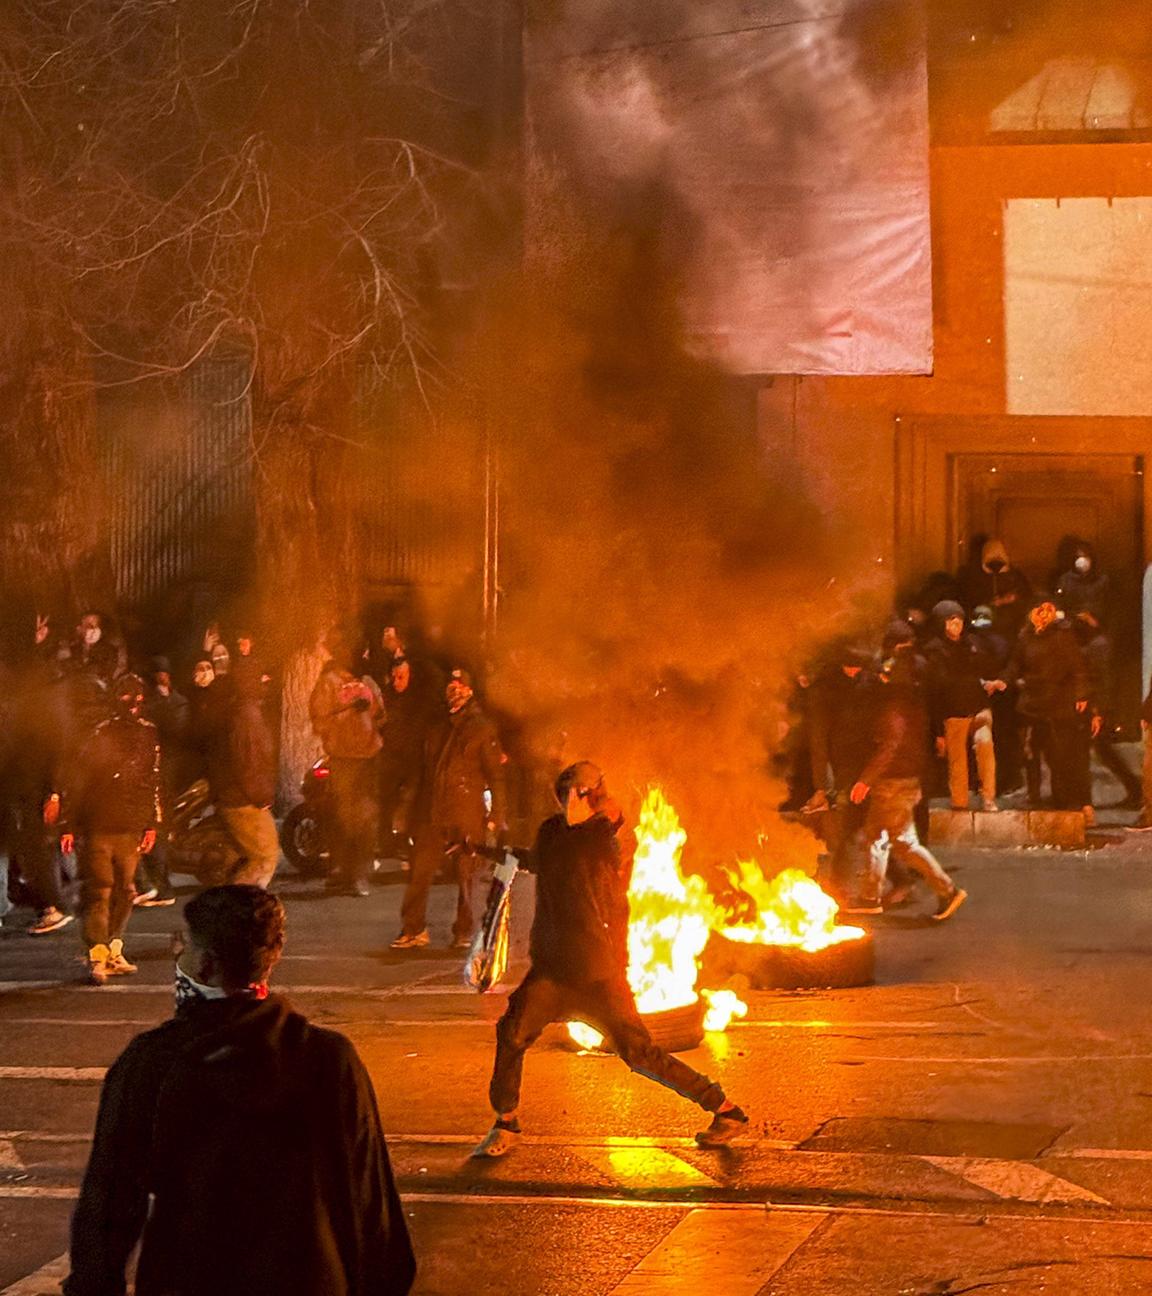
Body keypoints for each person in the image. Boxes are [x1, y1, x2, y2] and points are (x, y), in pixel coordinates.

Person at [63, 884, 415, 1296]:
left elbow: (109, 1203)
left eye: (186, 947)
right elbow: (368, 1197)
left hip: (188, 1279)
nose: (180, 957)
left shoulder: (153, 1062)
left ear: (207, 965)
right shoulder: (328, 1058)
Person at [473, 761, 748, 1158]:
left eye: (578, 791)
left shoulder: (598, 839)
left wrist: (620, 957)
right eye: (569, 790)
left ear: (586, 796)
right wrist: (476, 848)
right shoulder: (551, 833)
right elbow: (534, 860)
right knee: (512, 1032)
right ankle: (506, 1122)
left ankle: (725, 1110)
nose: (570, 799)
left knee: (640, 1054)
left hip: (596, 972)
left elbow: (616, 897)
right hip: (551, 968)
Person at [845, 633, 967, 921]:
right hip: (904, 780)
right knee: (877, 838)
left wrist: (865, 780)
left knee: (903, 843)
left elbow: (890, 746)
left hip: (894, 782)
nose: (883, 676)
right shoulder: (912, 701)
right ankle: (869, 896)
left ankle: (947, 890)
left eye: (888, 671)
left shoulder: (896, 706)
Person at [59, 673, 161, 985]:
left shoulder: (148, 734)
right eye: (126, 697)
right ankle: (97, 955)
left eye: (137, 697)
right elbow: (80, 781)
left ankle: (113, 948)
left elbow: (154, 779)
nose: (132, 703)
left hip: (129, 827)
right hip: (100, 825)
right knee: (99, 891)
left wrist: (152, 824)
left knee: (125, 891)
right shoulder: (100, 734)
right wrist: (70, 824)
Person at [394, 669, 506, 950]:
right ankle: (413, 929)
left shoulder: (482, 728)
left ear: (470, 691)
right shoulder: (436, 726)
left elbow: (496, 776)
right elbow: (421, 773)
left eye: (460, 685)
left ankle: (464, 931)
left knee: (467, 878)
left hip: (466, 813)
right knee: (420, 872)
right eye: (451, 685)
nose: (454, 690)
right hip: (433, 812)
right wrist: (406, 811)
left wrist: (497, 816)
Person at [990, 599, 1089, 810]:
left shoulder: (1063, 636)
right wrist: (1004, 680)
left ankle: (1060, 796)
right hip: (1032, 703)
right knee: (1030, 751)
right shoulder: (1026, 636)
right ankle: (1034, 794)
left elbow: (1077, 667)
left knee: (1057, 752)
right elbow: (1015, 663)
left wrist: (1081, 695)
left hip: (1057, 702)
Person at [309, 629, 385, 897]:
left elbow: (381, 715)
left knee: (366, 819)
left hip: (368, 759)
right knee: (342, 817)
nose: (361, 656)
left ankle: (359, 875)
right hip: (343, 760)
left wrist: (371, 711)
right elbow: (319, 721)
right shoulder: (328, 682)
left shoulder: (367, 682)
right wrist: (348, 711)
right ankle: (340, 871)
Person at [802, 642, 878, 901]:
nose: (854, 671)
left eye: (858, 667)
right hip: (843, 766)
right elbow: (818, 739)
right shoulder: (825, 690)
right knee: (848, 826)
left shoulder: (870, 682)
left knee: (869, 826)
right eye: (850, 667)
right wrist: (821, 783)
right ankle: (841, 884)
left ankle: (884, 880)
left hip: (869, 763)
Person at [204, 667, 281, 888]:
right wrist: (262, 796)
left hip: (232, 794)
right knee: (265, 856)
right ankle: (240, 909)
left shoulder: (235, 711)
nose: (266, 683)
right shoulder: (247, 716)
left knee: (245, 857)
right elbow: (249, 763)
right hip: (242, 798)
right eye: (261, 679)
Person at [924, 601, 998, 812]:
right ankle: (959, 801)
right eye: (951, 620)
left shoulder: (972, 644)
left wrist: (989, 682)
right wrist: (938, 730)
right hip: (954, 712)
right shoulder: (935, 651)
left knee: (985, 749)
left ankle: (989, 798)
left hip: (979, 707)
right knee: (957, 761)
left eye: (959, 619)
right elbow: (935, 692)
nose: (956, 624)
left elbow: (985, 666)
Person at [134, 658, 191, 906]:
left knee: (155, 830)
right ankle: (152, 884)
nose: (161, 679)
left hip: (163, 775)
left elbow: (174, 730)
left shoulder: (175, 704)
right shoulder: (152, 705)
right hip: (155, 774)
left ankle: (160, 885)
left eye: (164, 674)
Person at [958, 538, 1032, 641]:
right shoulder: (974, 577)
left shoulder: (1015, 576)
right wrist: (991, 603)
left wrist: (1012, 599)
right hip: (985, 628)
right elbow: (969, 601)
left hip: (1010, 628)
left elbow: (1027, 597)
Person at [1055, 540, 1111, 626]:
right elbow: (1060, 604)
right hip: (1071, 625)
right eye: (1078, 557)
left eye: (1086, 556)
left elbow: (1106, 607)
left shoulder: (1102, 580)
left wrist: (1092, 618)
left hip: (1095, 626)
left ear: (1092, 558)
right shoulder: (1065, 580)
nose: (1082, 560)